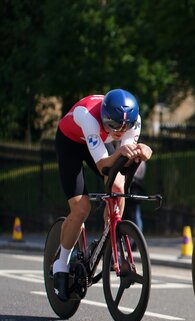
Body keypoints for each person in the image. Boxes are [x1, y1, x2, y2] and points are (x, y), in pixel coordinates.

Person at [52, 89, 152, 301]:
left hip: (97, 141)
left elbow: (123, 161)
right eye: (114, 125)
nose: (119, 131)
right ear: (105, 117)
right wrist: (120, 152)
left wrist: (141, 152)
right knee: (81, 208)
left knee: (118, 186)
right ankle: (60, 264)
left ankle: (112, 230)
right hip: (71, 143)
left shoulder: (131, 121)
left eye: (125, 127)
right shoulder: (88, 117)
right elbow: (103, 165)